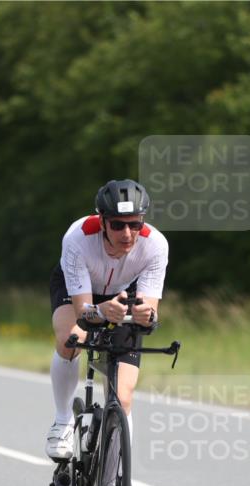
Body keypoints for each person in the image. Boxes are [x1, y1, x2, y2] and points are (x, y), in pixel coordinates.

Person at [46, 178, 168, 464]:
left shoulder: (156, 246)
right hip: (78, 290)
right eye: (117, 225)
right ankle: (62, 422)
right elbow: (82, 312)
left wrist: (146, 316)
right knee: (71, 339)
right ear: (102, 222)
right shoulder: (77, 237)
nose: (127, 233)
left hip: (123, 291)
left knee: (123, 399)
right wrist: (101, 313)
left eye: (135, 224)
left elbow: (150, 313)